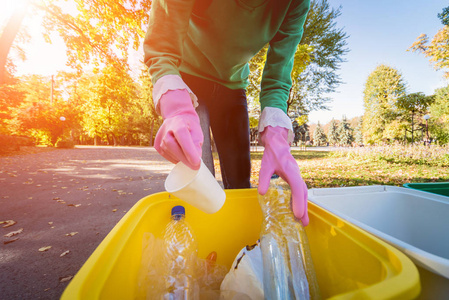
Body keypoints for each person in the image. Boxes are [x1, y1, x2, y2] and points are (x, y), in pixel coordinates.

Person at [144, 0, 310, 225]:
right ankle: (205, 248)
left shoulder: (296, 3)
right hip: (188, 82)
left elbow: (278, 74)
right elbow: (163, 44)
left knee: (240, 179)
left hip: (232, 88)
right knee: (199, 178)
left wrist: (276, 134)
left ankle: (242, 247)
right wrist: (173, 102)